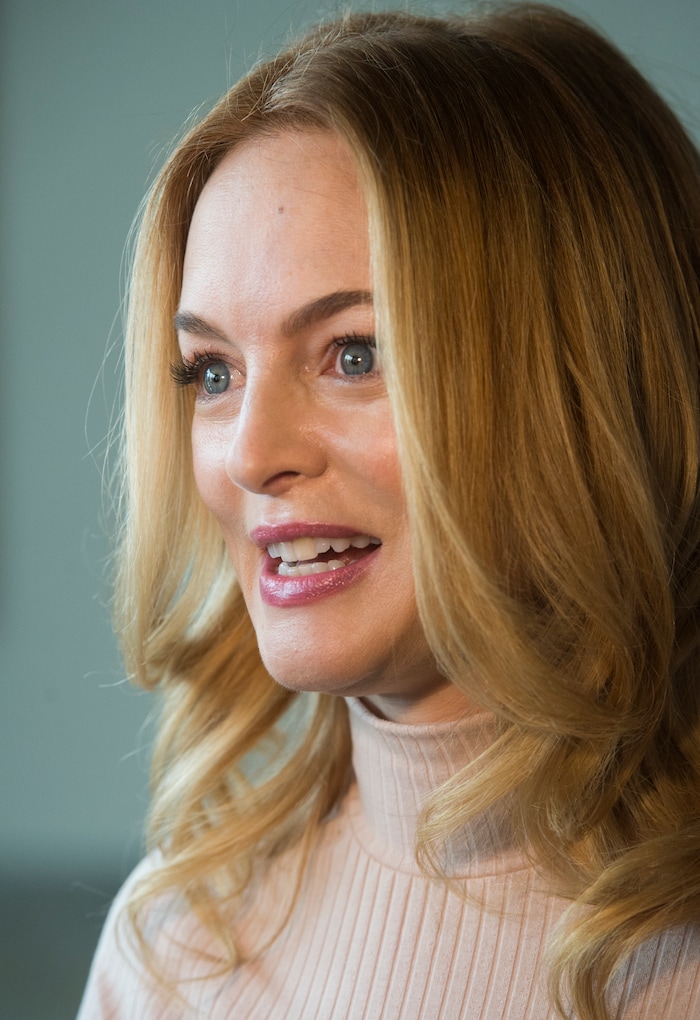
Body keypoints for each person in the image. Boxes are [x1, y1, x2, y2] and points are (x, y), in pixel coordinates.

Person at [78, 4, 700, 1018]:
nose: (249, 455)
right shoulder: (174, 946)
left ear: (585, 386)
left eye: (354, 354)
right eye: (212, 370)